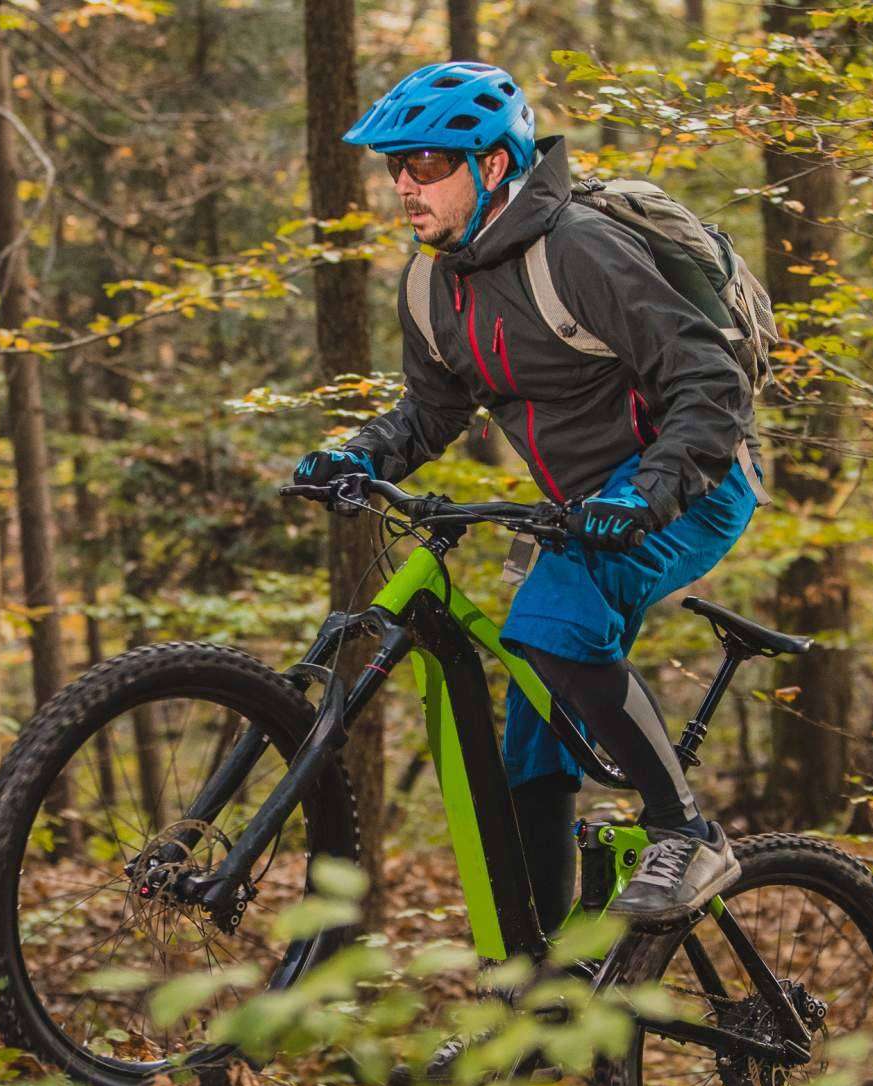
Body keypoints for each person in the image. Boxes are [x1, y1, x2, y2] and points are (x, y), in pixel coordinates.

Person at [293, 61, 766, 934]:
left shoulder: (580, 250)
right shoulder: (433, 284)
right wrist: (357, 454)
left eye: (429, 163)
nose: (405, 183)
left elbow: (708, 384)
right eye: (396, 166)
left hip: (693, 484)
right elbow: (430, 412)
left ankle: (686, 831)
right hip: (583, 511)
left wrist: (653, 489)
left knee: (548, 622)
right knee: (528, 741)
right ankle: (539, 997)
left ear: (496, 166)